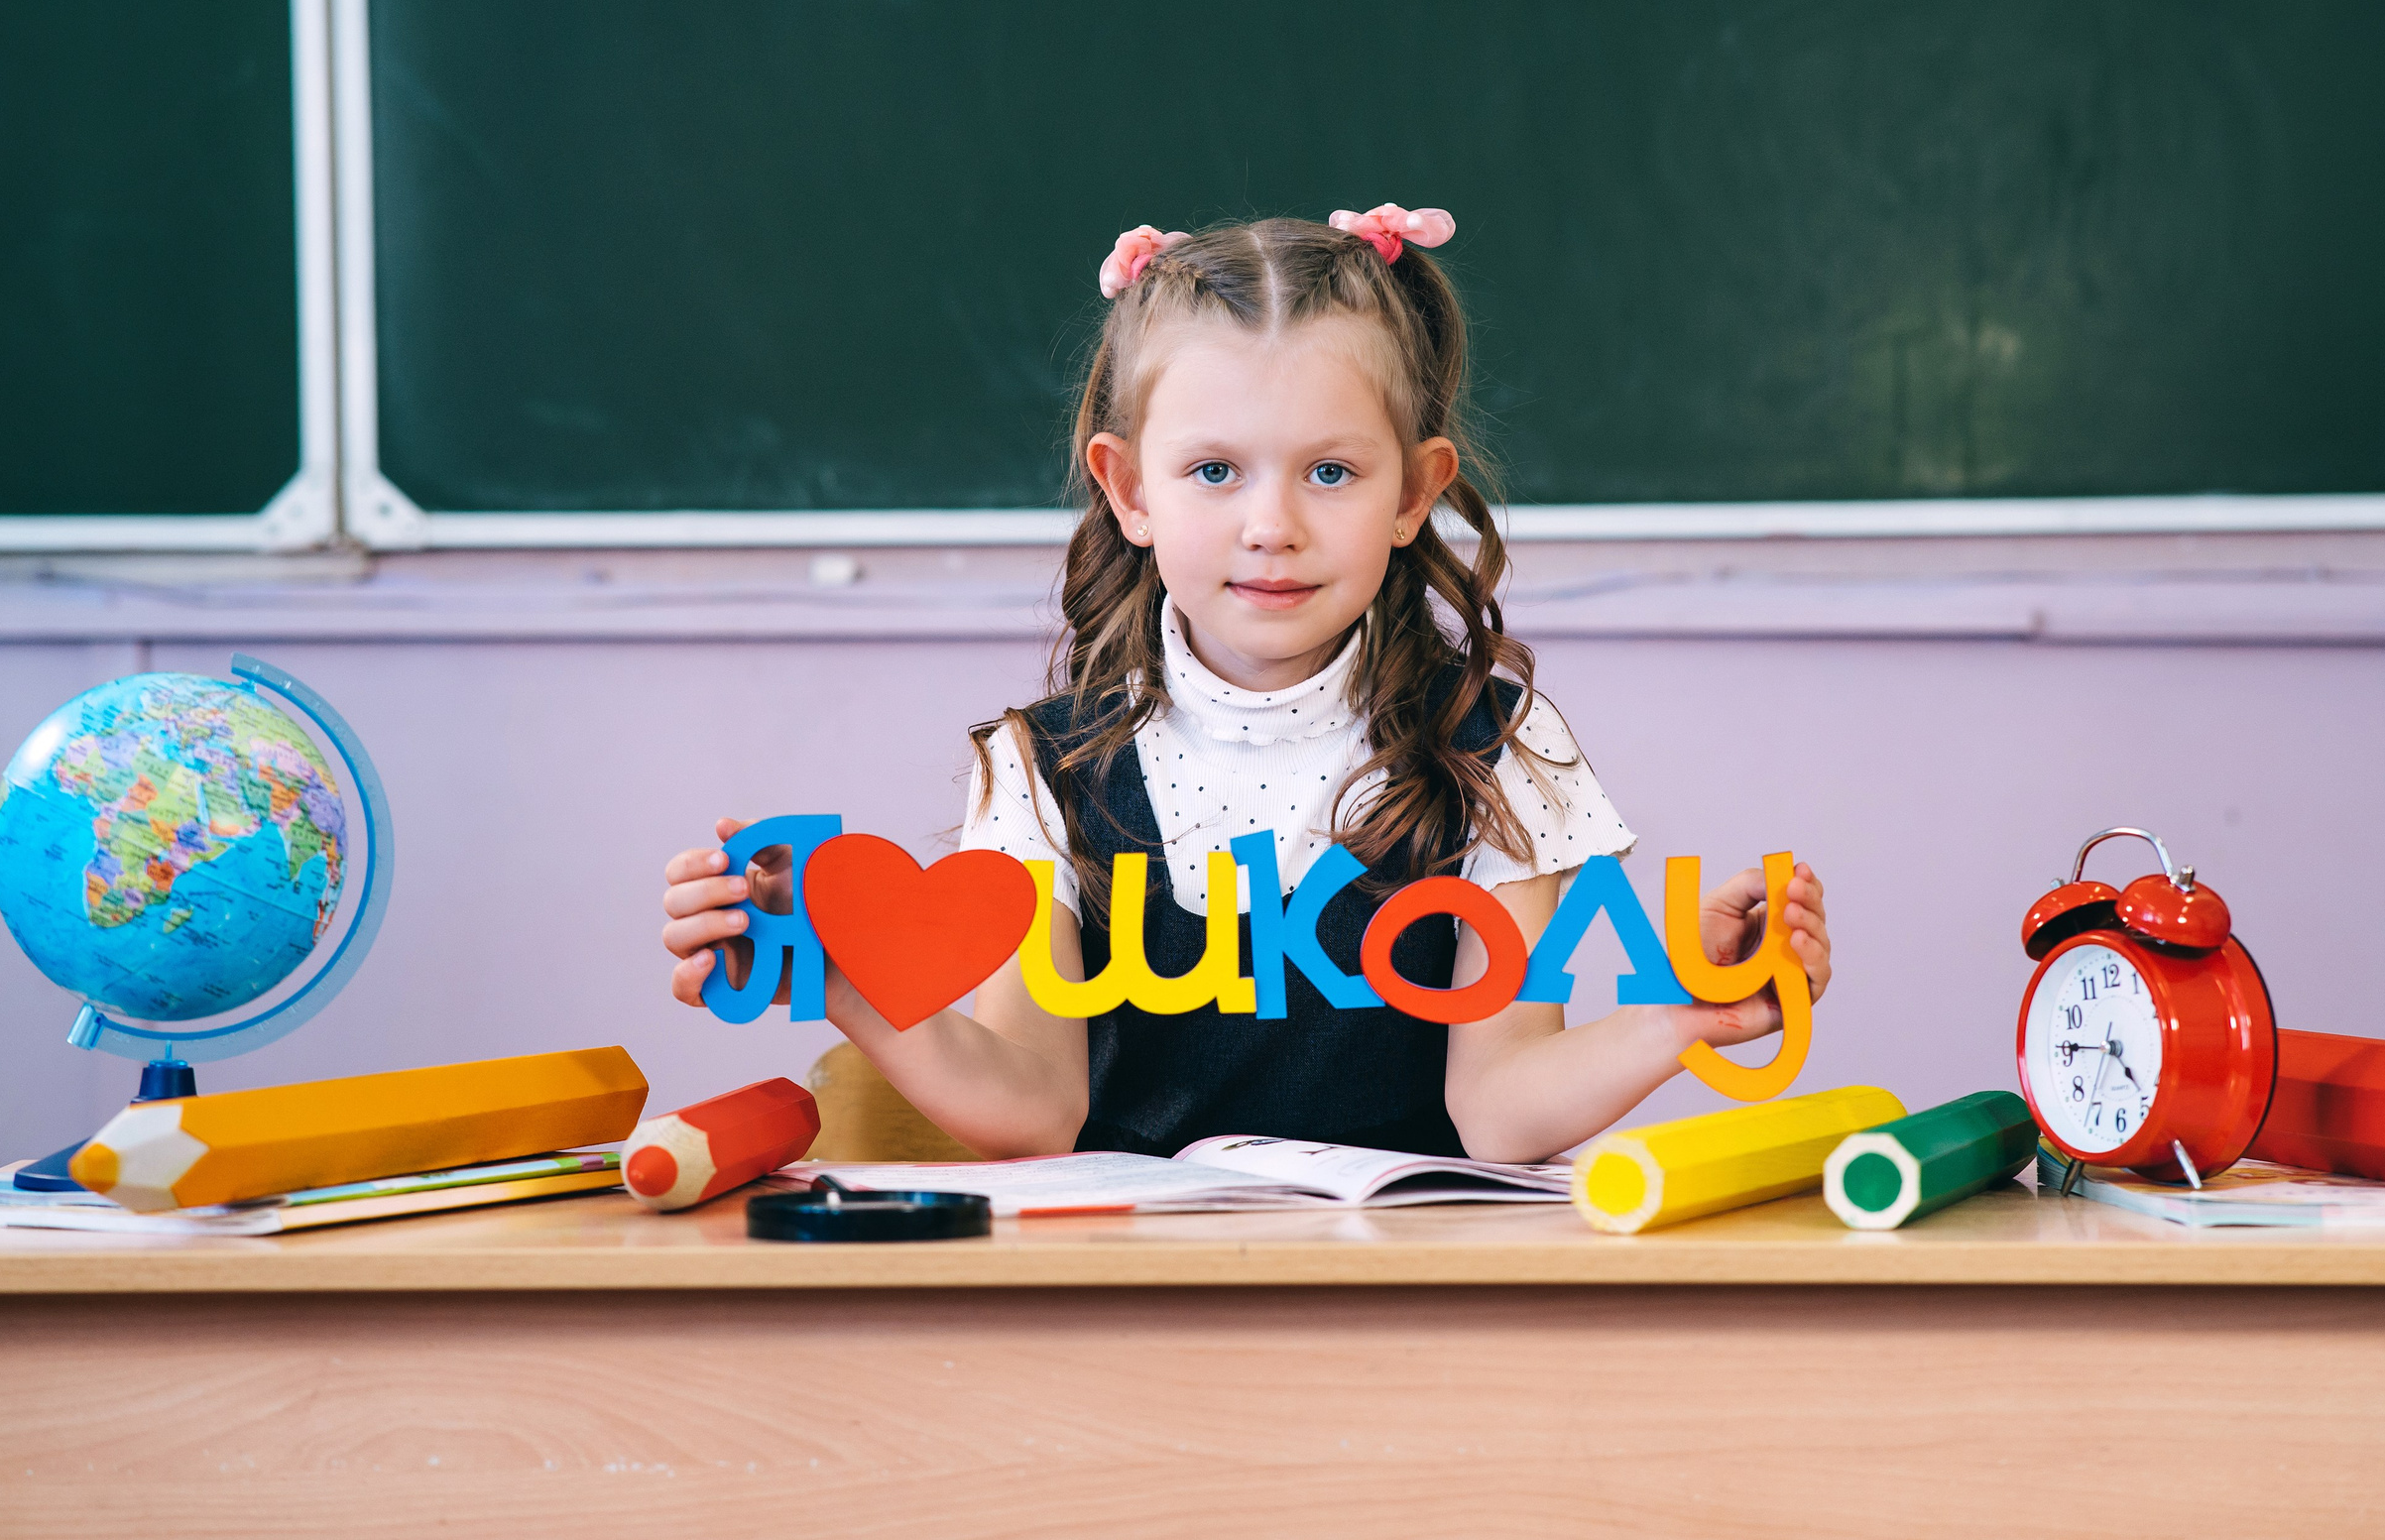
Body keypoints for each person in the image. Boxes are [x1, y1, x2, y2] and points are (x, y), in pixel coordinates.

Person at [659, 205, 1833, 1163]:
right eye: (1212, 470)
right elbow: (1031, 1102)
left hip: (1414, 1296)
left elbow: (1501, 1105)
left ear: (1415, 491)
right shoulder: (1045, 767)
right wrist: (838, 973)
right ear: (1127, 489)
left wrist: (1687, 1016)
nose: (1270, 526)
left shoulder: (1496, 743)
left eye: (1331, 470)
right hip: (1135, 1306)